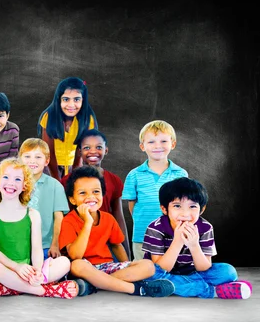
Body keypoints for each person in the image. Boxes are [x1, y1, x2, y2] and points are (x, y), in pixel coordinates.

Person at [59, 166, 175, 297]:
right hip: (85, 268)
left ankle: (95, 285)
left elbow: (116, 245)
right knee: (77, 265)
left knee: (148, 266)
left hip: (107, 267)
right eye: (82, 193)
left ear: (102, 194)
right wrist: (88, 223)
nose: (90, 197)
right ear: (72, 199)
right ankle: (134, 288)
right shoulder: (68, 220)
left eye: (96, 192)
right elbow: (75, 256)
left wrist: (127, 265)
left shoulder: (108, 218)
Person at [143, 177, 252, 299]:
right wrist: (177, 242)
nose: (185, 214)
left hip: (194, 272)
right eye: (177, 206)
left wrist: (194, 246)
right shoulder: (155, 228)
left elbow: (204, 267)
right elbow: (160, 268)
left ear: (202, 209)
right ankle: (212, 291)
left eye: (192, 207)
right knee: (149, 274)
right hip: (163, 273)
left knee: (228, 272)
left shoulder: (205, 228)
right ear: (164, 209)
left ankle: (174, 286)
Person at [0, 158, 77, 298]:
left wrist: (37, 272)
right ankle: (43, 290)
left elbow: (37, 249)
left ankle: (14, 288)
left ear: (25, 186)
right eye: (6, 177)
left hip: (28, 269)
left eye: (17, 179)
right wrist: (16, 267)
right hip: (5, 268)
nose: (10, 183)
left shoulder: (33, 214)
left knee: (64, 263)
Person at [122, 120, 188, 260]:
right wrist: (142, 220)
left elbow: (184, 204)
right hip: (142, 234)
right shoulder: (134, 175)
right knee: (143, 269)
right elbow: (132, 204)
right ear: (142, 146)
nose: (158, 146)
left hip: (172, 233)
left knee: (170, 267)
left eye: (163, 141)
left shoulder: (180, 174)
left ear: (173, 144)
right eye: (151, 142)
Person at [61, 129, 130, 260]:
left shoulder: (114, 180)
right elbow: (64, 215)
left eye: (98, 147)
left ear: (106, 150)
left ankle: (109, 279)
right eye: (87, 147)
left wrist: (127, 254)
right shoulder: (67, 181)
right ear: (80, 152)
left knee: (143, 266)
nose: (93, 151)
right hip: (79, 241)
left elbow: (118, 216)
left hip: (106, 242)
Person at [37, 77, 97, 181]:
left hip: (75, 165)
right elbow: (49, 152)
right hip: (50, 166)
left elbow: (81, 154)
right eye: (66, 99)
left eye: (76, 99)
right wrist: (57, 180)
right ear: (59, 99)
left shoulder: (88, 120)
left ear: (83, 100)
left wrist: (74, 176)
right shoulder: (49, 116)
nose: (71, 105)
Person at [19, 138, 70, 260]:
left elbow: (58, 218)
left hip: (45, 245)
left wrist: (55, 244)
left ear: (46, 161)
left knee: (58, 265)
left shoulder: (55, 186)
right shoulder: (13, 183)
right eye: (27, 156)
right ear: (20, 159)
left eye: (38, 157)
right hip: (18, 245)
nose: (32, 161)